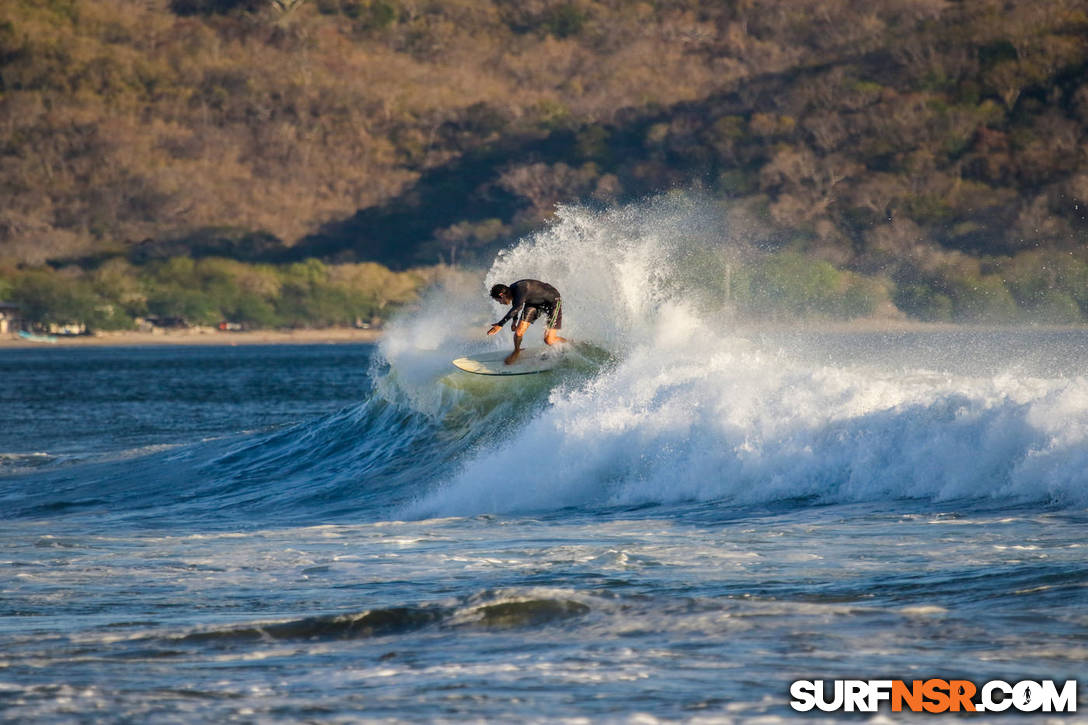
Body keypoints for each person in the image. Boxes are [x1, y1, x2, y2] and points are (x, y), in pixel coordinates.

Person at [487, 279, 568, 364]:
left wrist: (500, 324)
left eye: (498, 300)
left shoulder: (520, 289)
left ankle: (570, 345)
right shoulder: (512, 290)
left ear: (502, 295)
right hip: (534, 302)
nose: (500, 303)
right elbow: (516, 305)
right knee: (518, 332)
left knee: (549, 340)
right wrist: (514, 321)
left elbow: (517, 307)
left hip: (552, 301)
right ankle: (517, 351)